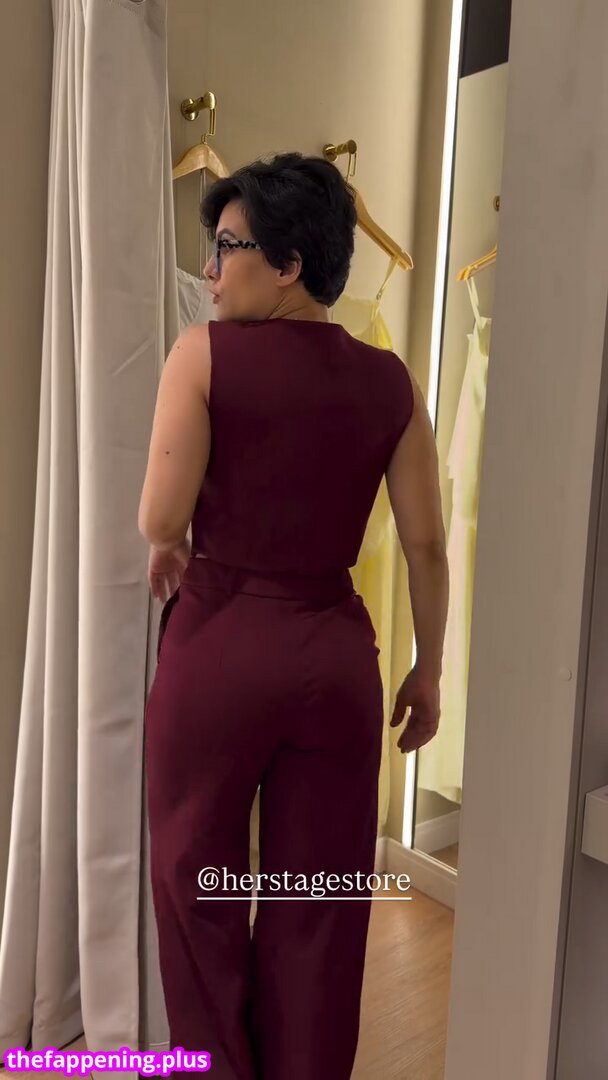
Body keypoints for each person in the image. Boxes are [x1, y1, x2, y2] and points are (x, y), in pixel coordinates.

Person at [138, 152, 449, 1080]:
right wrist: (430, 671)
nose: (209, 271)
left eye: (227, 247)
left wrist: (169, 542)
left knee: (196, 886)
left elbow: (159, 520)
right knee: (320, 898)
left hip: (220, 647)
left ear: (287, 263)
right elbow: (428, 547)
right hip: (334, 658)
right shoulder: (392, 382)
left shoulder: (202, 355)